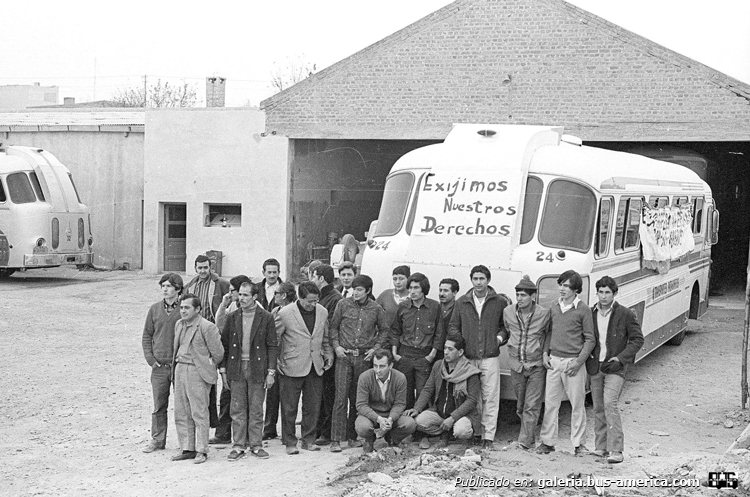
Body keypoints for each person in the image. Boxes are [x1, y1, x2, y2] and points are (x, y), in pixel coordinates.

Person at [448, 265, 510, 450]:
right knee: (471, 397)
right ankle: (475, 432)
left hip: (490, 356)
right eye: (475, 278)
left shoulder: (498, 302)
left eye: (482, 278)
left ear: (488, 280)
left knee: (491, 396)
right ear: (471, 280)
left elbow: (505, 326)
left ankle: (488, 436)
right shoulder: (462, 302)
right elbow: (453, 326)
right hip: (468, 357)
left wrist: (498, 339)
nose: (478, 282)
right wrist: (461, 344)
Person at [329, 274, 389, 452]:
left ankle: (352, 436)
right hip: (344, 356)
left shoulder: (376, 308)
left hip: (364, 358)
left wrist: (375, 349)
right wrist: (336, 346)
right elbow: (333, 327)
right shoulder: (343, 304)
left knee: (358, 399)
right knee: (340, 398)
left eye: (360, 289)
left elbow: (385, 330)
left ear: (368, 290)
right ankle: (336, 439)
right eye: (354, 289)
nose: (356, 292)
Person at [537, 270, 595, 456]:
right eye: (561, 285)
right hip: (554, 362)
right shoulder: (554, 307)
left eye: (567, 286)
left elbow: (590, 339)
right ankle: (547, 442)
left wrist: (578, 362)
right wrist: (545, 353)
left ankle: (579, 445)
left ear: (576, 289)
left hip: (573, 363)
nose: (562, 289)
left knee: (577, 404)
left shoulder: (583, 309)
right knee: (551, 404)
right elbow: (548, 333)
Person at [219, 282, 278, 461]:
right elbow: (225, 345)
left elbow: (272, 346)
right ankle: (238, 445)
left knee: (256, 408)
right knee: (237, 408)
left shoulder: (265, 317)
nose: (241, 299)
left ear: (254, 297)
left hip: (257, 369)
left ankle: (256, 444)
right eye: (240, 295)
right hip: (236, 368)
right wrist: (223, 371)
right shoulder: (232, 317)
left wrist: (271, 372)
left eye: (245, 295)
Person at [590, 276, 644, 464]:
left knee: (609, 403)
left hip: (615, 367)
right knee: (598, 407)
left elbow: (638, 339)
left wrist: (621, 358)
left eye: (607, 293)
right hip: (596, 366)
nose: (604, 296)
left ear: (614, 294)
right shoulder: (591, 313)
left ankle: (616, 450)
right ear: (596, 293)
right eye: (601, 292)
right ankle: (601, 447)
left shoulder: (625, 314)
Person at [276, 282, 334, 454]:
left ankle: (308, 440)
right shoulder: (285, 313)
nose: (313, 304)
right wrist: (276, 361)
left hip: (315, 366)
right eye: (309, 301)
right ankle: (290, 442)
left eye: (316, 300)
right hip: (291, 366)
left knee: (313, 406)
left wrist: (328, 354)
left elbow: (325, 337)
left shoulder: (322, 312)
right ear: (300, 298)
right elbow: (275, 339)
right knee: (289, 407)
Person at [171, 294, 224, 464]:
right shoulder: (179, 324)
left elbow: (218, 353)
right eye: (181, 307)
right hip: (180, 368)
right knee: (182, 410)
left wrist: (205, 366)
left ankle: (202, 449)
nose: (183, 311)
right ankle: (187, 448)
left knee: (199, 411)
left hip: (197, 372)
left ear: (198, 309)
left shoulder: (207, 327)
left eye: (187, 307)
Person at [185, 254, 232, 444]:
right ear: (195, 268)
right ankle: (210, 426)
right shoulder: (191, 286)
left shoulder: (221, 284)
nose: (203, 271)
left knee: (225, 382)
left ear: (210, 267)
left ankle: (224, 430)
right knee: (206, 382)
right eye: (200, 268)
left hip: (216, 335)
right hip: (198, 337)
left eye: (206, 267)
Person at [404, 332, 481, 449]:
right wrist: (417, 408)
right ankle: (446, 433)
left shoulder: (470, 372)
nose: (445, 352)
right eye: (445, 348)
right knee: (418, 422)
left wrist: (452, 418)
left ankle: (463, 437)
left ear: (460, 352)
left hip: (461, 416)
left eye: (450, 349)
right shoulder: (438, 365)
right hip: (439, 413)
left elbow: (471, 401)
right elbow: (428, 389)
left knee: (461, 431)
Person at [502, 275, 550, 450]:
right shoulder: (508, 312)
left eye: (523, 295)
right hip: (516, 365)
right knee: (520, 405)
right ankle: (529, 439)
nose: (519, 299)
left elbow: (548, 335)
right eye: (517, 295)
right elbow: (507, 330)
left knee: (532, 405)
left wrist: (544, 353)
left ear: (533, 297)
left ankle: (523, 441)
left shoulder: (543, 314)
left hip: (536, 365)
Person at [141, 273, 184, 453]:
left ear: (178, 289)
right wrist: (151, 360)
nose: (165, 289)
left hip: (180, 366)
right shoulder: (154, 309)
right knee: (159, 405)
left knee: (183, 406)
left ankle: (187, 443)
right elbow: (147, 335)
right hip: (159, 367)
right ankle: (158, 440)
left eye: (169, 286)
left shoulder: (185, 308)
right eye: (163, 286)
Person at [390, 273, 444, 409]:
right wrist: (395, 353)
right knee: (404, 394)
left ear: (424, 289)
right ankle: (405, 427)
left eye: (416, 288)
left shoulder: (435, 307)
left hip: (424, 357)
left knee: (423, 394)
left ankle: (420, 428)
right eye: (410, 288)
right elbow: (395, 331)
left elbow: (439, 333)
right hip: (404, 356)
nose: (412, 291)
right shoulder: (403, 306)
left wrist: (431, 355)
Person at [355, 349, 416, 452]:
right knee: (362, 427)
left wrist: (391, 419)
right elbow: (361, 405)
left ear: (391, 365)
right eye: (375, 365)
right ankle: (370, 440)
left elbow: (400, 404)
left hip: (391, 414)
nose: (378, 370)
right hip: (372, 414)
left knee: (410, 424)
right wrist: (378, 419)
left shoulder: (400, 378)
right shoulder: (364, 377)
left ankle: (393, 439)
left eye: (382, 366)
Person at [310, 264, 343, 446]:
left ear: (321, 278)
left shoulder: (334, 299)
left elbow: (329, 327)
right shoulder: (322, 297)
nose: (313, 280)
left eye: (314, 276)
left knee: (328, 393)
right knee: (318, 392)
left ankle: (327, 431)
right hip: (318, 351)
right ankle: (316, 429)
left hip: (328, 352)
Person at [259, 258, 284, 441]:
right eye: (269, 272)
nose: (272, 275)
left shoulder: (285, 290)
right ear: (264, 273)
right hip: (259, 344)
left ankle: (270, 428)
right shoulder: (256, 289)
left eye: (275, 272)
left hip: (277, 345)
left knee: (274, 391)